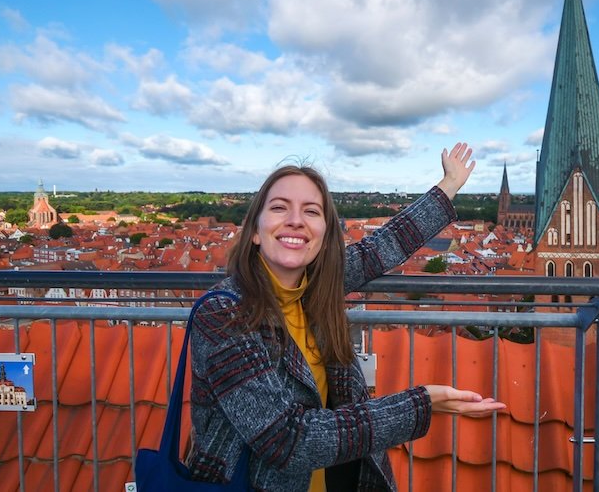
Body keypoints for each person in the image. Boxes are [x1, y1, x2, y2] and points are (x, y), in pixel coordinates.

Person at [186, 142, 505, 491]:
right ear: (256, 232)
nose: (295, 220)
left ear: (324, 235)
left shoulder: (317, 286)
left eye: (311, 211)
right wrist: (419, 404)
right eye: (279, 208)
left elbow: (384, 246)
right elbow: (287, 441)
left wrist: (449, 186)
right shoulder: (223, 314)